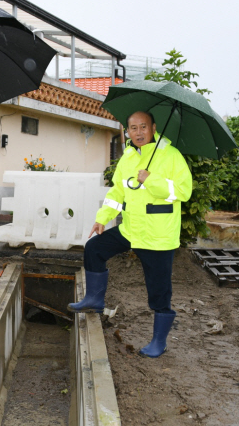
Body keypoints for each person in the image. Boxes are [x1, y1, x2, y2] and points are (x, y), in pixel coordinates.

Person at [68, 111, 192, 358]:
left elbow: (184, 191)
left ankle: (159, 341)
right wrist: (102, 218)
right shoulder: (127, 157)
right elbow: (117, 193)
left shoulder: (171, 155)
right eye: (132, 128)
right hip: (131, 229)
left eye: (143, 127)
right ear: (127, 131)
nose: (137, 132)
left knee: (159, 292)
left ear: (154, 127)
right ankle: (94, 299)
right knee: (94, 248)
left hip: (158, 236)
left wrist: (152, 180)